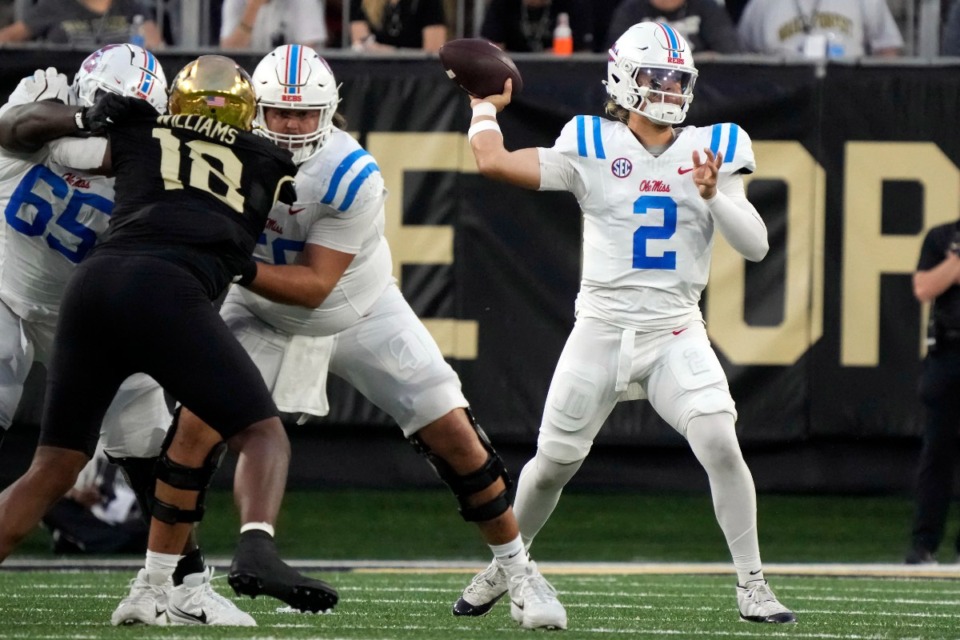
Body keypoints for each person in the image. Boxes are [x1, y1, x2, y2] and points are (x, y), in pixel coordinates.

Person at [165, 43, 566, 631]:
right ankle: (167, 583)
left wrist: (230, 262)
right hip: (258, 311)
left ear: (329, 113)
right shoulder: (219, 153)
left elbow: (315, 287)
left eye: (305, 114)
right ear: (258, 111)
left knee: (455, 433)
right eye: (281, 113)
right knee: (189, 432)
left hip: (357, 308)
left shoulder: (348, 171)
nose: (293, 125)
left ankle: (520, 571)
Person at [453, 22, 797, 625]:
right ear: (623, 80)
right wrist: (484, 106)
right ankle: (504, 568)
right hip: (602, 329)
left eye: (677, 79)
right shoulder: (590, 141)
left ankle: (753, 585)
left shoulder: (713, 147)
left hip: (675, 330)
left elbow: (758, 245)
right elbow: (493, 162)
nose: (668, 89)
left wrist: (716, 196)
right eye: (656, 77)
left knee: (719, 439)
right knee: (553, 464)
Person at [0, 54, 336, 625]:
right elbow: (15, 129)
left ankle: (180, 584)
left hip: (84, 299)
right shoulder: (260, 160)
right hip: (12, 285)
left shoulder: (135, 140)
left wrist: (86, 127)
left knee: (128, 449)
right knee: (259, 431)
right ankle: (256, 544)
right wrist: (77, 118)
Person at [905, 220, 960, 565]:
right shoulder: (942, 236)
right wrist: (954, 263)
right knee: (937, 450)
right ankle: (924, 544)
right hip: (948, 351)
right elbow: (924, 287)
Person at [42, 445, 148, 554]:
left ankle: (95, 544)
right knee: (49, 504)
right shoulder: (94, 443)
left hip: (137, 522)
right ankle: (121, 543)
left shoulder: (154, 445)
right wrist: (78, 495)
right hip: (95, 520)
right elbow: (65, 489)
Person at [736, 0, 903, 58]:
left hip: (850, 101)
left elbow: (887, 50)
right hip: (783, 109)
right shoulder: (760, 5)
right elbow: (742, 59)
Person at [0, 0, 163, 49]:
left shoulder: (133, 7)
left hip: (122, 89)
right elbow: (7, 37)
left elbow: (156, 47)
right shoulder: (54, 6)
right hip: (67, 90)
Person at [605, 0, 744, 54]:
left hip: (699, 91)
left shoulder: (706, 7)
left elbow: (730, 56)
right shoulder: (630, 9)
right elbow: (613, 56)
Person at [479, 0, 594, 53]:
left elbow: (583, 54)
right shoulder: (503, 4)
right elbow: (494, 49)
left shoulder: (573, 5)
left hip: (561, 78)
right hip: (511, 77)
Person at [220, 0, 328, 50]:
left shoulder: (304, 2)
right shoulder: (235, 2)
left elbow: (309, 56)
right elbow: (229, 52)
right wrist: (253, 8)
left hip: (289, 80)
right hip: (247, 78)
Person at [349, 0, 446, 52]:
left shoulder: (429, 2)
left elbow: (433, 51)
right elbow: (361, 46)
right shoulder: (362, 2)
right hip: (374, 75)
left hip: (417, 77)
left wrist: (388, 52)